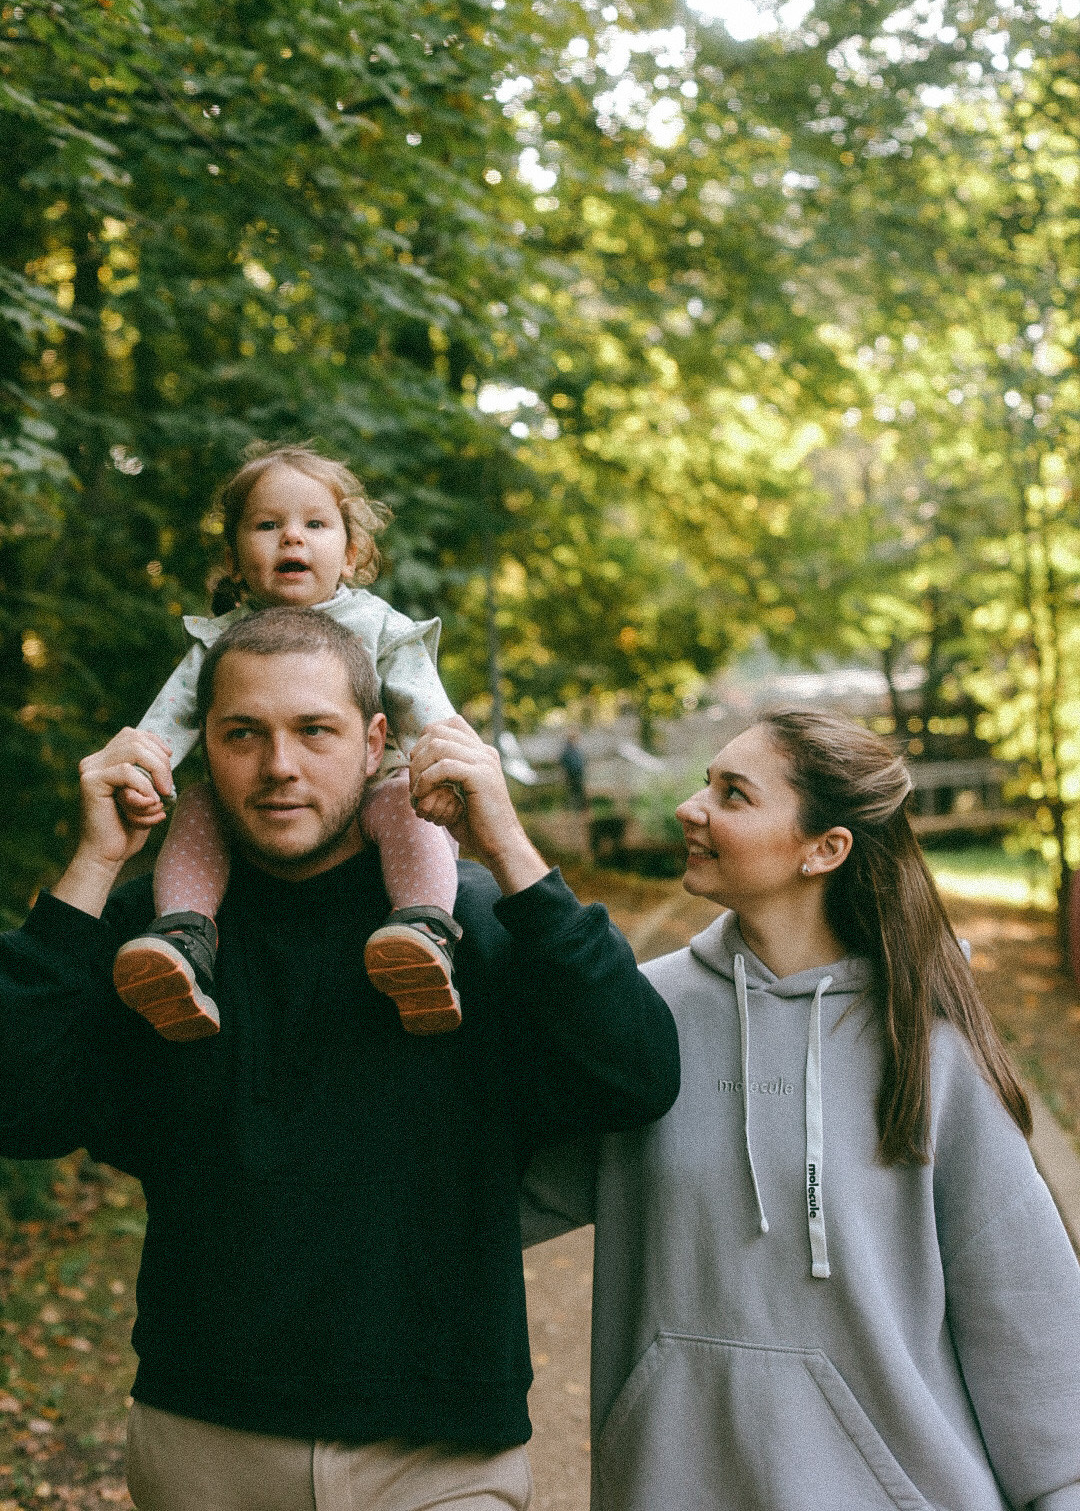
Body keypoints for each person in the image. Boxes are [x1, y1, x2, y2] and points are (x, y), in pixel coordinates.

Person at [0, 606, 679, 1511]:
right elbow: (21, 1108)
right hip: (205, 1441)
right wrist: (90, 866)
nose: (279, 766)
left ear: (374, 744)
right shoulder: (151, 942)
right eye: (243, 734)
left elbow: (636, 1076)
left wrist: (512, 849)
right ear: (201, 746)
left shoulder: (468, 926)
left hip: (438, 1455)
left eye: (313, 731)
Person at [523, 709, 1080, 1511]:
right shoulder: (642, 1017)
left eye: (733, 794)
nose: (690, 807)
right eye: (704, 783)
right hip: (675, 1485)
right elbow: (496, 1195)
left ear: (824, 849)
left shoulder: (925, 1042)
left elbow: (1026, 1311)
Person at [112, 443, 467, 1041]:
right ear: (234, 557)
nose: (292, 539)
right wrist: (142, 776)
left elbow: (428, 715)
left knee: (408, 806)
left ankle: (423, 930)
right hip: (246, 803)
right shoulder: (216, 641)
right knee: (198, 808)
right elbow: (164, 726)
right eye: (268, 525)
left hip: (376, 787)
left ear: (351, 552)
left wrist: (450, 775)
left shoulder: (379, 627)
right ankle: (182, 940)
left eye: (315, 524)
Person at [558, 732, 587, 812]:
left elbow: (582, 761)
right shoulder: (568, 750)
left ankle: (580, 809)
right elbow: (564, 761)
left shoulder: (576, 749)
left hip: (578, 773)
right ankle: (575, 809)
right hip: (572, 774)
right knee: (574, 792)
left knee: (578, 791)